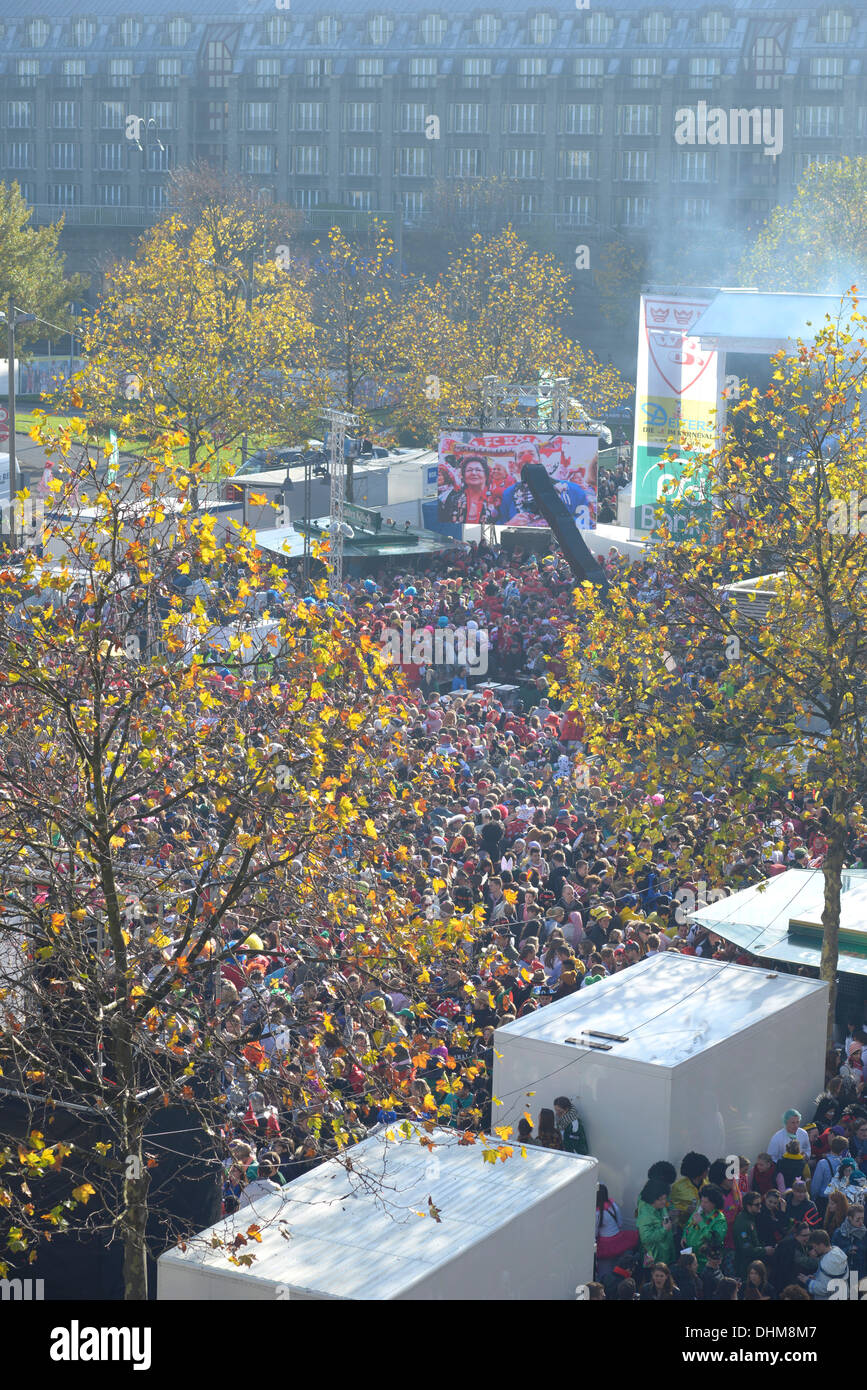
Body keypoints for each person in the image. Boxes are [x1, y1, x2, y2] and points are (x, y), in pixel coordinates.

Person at [682, 1184, 727, 1270]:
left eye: (706, 1202)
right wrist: (684, 1236)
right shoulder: (699, 1211)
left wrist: (701, 1223)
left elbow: (715, 1239)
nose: (702, 1204)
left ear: (714, 1203)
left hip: (705, 1264)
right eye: (701, 1201)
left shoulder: (719, 1219)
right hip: (691, 1260)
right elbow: (688, 1225)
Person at [636, 1178, 677, 1266]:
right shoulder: (645, 1215)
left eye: (665, 1198)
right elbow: (645, 1238)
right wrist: (664, 1230)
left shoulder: (661, 1208)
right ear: (652, 1198)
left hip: (665, 1256)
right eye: (660, 1199)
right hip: (654, 1261)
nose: (664, 1202)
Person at [732, 1191, 772, 1280]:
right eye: (757, 1204)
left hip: (751, 1264)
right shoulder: (743, 1223)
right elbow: (747, 1250)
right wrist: (764, 1250)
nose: (760, 1206)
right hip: (745, 1267)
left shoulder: (750, 1217)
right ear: (748, 1206)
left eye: (760, 1203)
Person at [595, 1183, 639, 1261]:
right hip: (619, 1238)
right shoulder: (613, 1204)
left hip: (605, 1244)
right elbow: (620, 1223)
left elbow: (594, 1233)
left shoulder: (597, 1213)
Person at [802, 1228, 848, 1298]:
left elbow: (825, 1288)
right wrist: (816, 1276)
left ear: (821, 1245)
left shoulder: (828, 1261)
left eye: (814, 1246)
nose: (814, 1249)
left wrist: (808, 1282)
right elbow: (830, 1278)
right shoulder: (837, 1252)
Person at [669, 1151, 710, 1229]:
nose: (708, 1171)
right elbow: (671, 1207)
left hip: (703, 1227)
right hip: (684, 1228)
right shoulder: (678, 1187)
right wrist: (686, 1210)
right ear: (699, 1170)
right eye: (706, 1169)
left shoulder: (708, 1184)